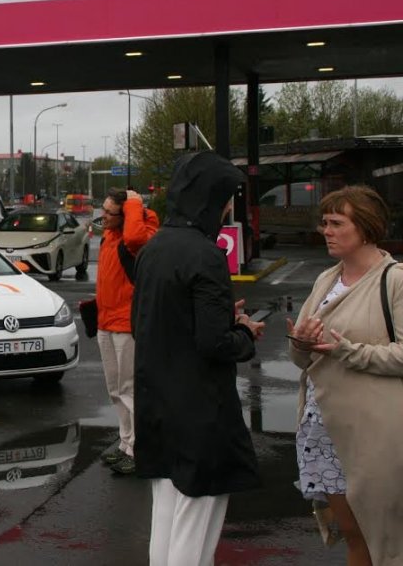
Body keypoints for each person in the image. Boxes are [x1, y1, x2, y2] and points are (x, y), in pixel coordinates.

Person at [130, 151, 266, 566]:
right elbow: (214, 345)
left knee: (167, 517)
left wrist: (221, 314)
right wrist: (243, 331)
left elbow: (150, 323)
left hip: (157, 405)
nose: (229, 208)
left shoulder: (154, 249)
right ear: (210, 199)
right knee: (196, 524)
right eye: (227, 199)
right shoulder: (205, 254)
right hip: (199, 413)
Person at [286, 185, 402, 565]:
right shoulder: (326, 280)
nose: (326, 231)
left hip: (375, 435)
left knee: (384, 540)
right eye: (324, 223)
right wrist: (301, 343)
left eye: (337, 223)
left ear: (366, 227)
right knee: (355, 538)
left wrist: (348, 352)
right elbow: (302, 359)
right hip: (322, 431)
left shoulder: (395, 280)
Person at [94, 187, 159, 475]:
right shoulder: (109, 235)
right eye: (103, 209)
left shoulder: (139, 233)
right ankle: (125, 444)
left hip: (127, 325)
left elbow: (135, 237)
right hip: (106, 323)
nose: (103, 216)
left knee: (130, 389)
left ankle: (140, 450)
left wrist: (134, 203)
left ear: (127, 214)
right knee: (115, 390)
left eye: (110, 212)